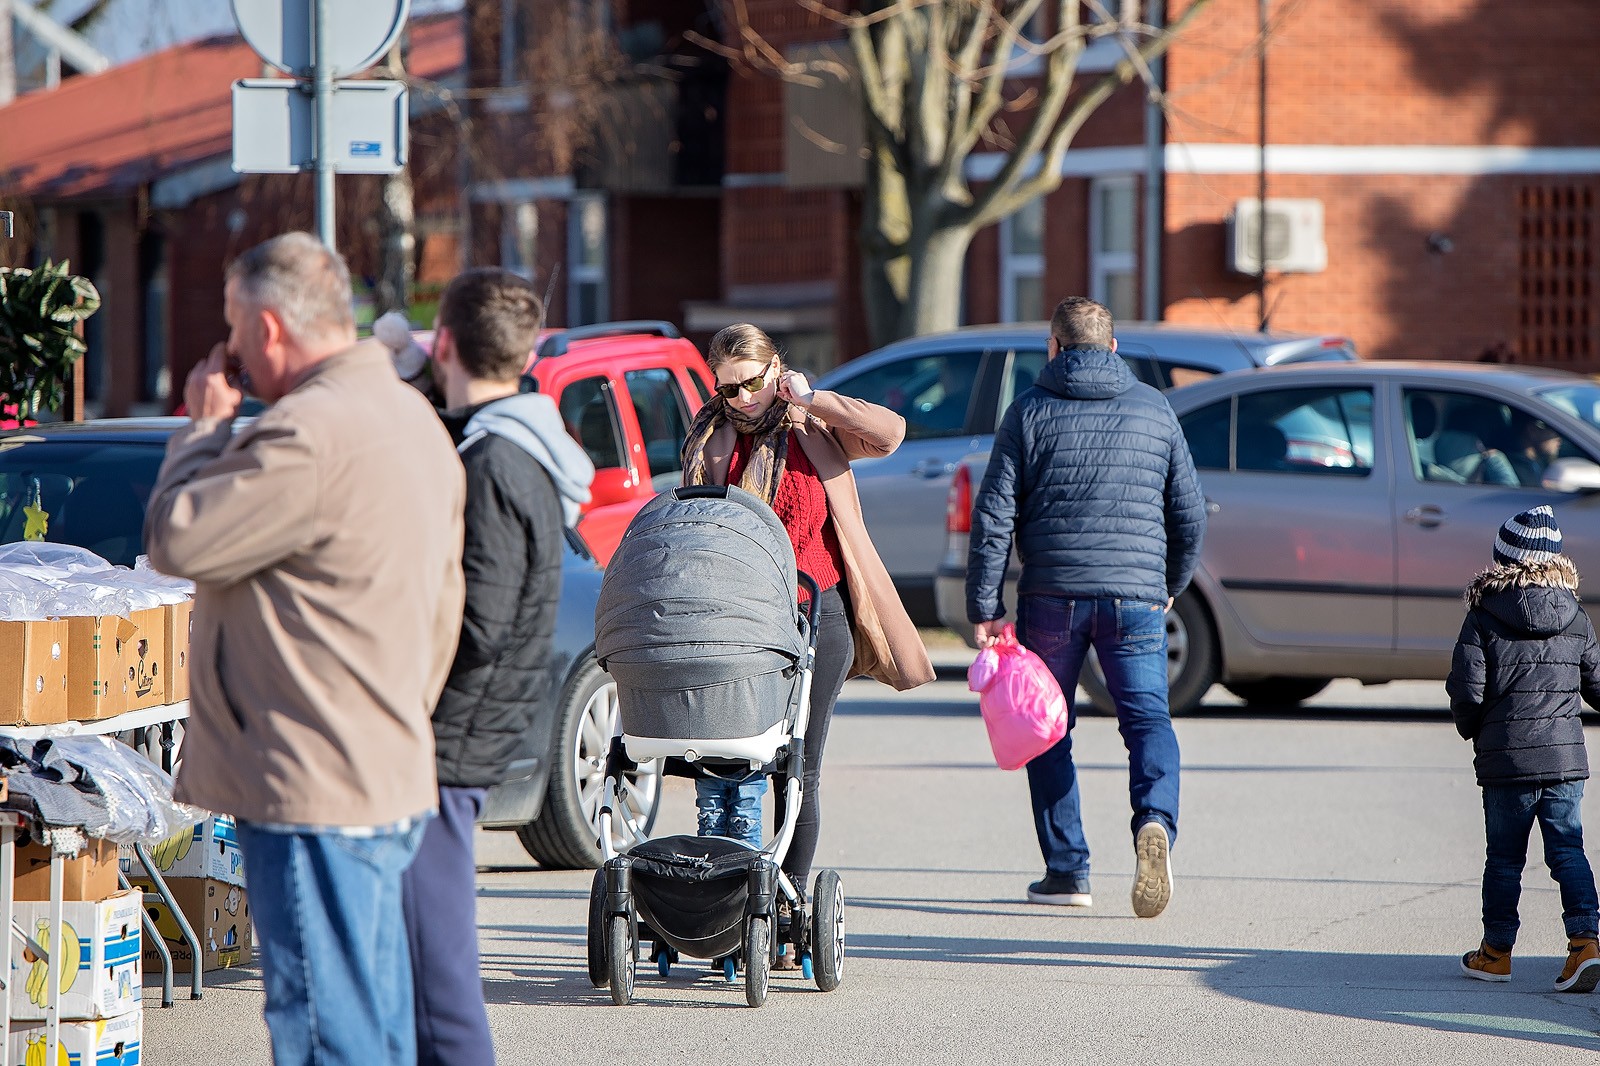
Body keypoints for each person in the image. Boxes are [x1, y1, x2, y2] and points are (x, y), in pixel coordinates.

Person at [143, 232, 466, 1066]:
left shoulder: (310, 433)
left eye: (235, 328)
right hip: (380, 761)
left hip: (311, 780)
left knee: (329, 1031)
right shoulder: (409, 417)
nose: (232, 350)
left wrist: (203, 428)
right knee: (373, 1025)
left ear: (270, 327)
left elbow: (179, 539)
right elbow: (444, 609)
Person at [680, 323, 933, 946]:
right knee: (733, 765)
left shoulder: (811, 427)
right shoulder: (711, 441)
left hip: (821, 617)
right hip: (741, 625)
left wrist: (811, 397)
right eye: (726, 387)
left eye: (750, 384)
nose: (739, 399)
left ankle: (787, 916)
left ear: (776, 372)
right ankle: (728, 905)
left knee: (797, 772)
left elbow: (890, 434)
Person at [403, 268, 594, 1066]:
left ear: (443, 341)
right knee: (425, 968)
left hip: (454, 734)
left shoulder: (493, 463)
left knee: (440, 980)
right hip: (482, 722)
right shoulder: (516, 442)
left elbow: (478, 618)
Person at [966, 296, 1206, 917]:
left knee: (1047, 727)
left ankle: (1068, 871)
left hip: (1052, 598)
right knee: (1148, 721)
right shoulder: (1156, 409)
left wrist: (984, 604)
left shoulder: (1029, 411)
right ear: (1114, 348)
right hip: (1136, 598)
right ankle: (1154, 821)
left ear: (1053, 347)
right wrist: (1169, 583)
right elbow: (1188, 512)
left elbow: (993, 515)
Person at [1447, 505, 1600, 992]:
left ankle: (1495, 954)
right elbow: (1597, 686)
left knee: (1505, 859)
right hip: (1563, 763)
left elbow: (1468, 690)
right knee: (1568, 853)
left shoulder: (1483, 616)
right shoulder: (1575, 617)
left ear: (1502, 561)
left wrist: (1473, 730)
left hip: (1507, 763)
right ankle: (1585, 945)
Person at [1504, 411, 1564, 487]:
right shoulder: (1515, 469)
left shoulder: (1540, 462)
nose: (1559, 439)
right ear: (1532, 430)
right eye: (1554, 430)